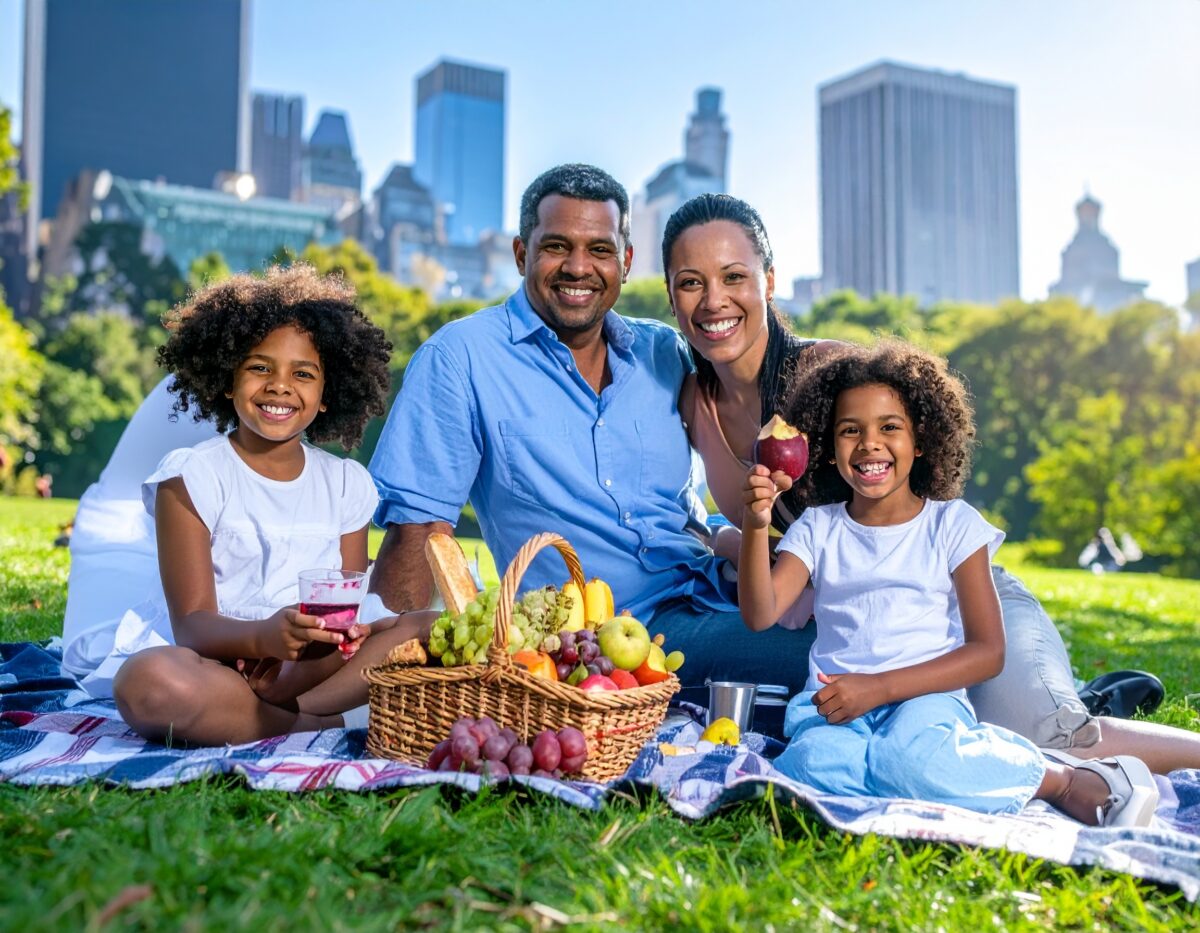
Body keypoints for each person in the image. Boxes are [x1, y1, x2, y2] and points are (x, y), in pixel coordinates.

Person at [663, 192, 1200, 773]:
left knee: (1047, 742)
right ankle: (1073, 693)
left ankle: (1075, 707)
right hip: (856, 631)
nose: (714, 299)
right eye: (691, 282)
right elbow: (771, 546)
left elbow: (935, 525)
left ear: (768, 281)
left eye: (734, 276)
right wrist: (724, 540)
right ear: (670, 294)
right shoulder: (696, 403)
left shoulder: (834, 379)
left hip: (951, 607)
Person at [365, 164, 816, 690]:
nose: (579, 267)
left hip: (717, 590)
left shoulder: (664, 353)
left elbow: (689, 505)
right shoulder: (461, 358)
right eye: (557, 246)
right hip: (610, 640)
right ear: (520, 255)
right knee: (837, 651)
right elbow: (420, 533)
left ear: (625, 262)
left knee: (880, 625)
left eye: (600, 250)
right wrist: (379, 681)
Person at [738, 340, 1158, 826]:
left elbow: (987, 653)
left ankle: (1061, 778)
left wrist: (879, 688)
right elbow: (760, 613)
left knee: (912, 763)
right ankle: (926, 772)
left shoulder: (953, 526)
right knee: (809, 768)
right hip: (833, 705)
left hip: (925, 702)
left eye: (889, 428)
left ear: (921, 442)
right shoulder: (818, 528)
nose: (869, 443)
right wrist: (755, 523)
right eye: (850, 431)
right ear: (830, 450)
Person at [106, 265, 432, 745]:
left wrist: (355, 631)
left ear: (326, 395)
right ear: (227, 381)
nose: (280, 385)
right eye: (260, 368)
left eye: (303, 374)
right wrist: (265, 638)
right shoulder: (192, 476)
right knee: (147, 683)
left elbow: (345, 606)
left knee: (429, 627)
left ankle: (283, 715)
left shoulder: (345, 482)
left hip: (315, 671)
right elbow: (192, 625)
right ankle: (313, 725)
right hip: (227, 664)